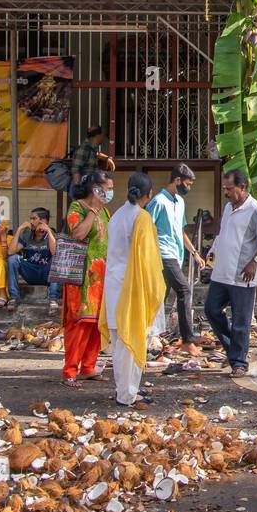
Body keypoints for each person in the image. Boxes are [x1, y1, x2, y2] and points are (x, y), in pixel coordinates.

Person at [101, 173, 167, 408]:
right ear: (149, 195)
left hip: (113, 284)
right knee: (131, 342)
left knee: (120, 342)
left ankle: (123, 391)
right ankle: (128, 394)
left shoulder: (116, 215)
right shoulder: (142, 218)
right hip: (133, 286)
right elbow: (148, 260)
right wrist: (156, 289)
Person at [205, 169, 257, 379]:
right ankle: (232, 348)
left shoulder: (255, 210)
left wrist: (254, 262)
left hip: (242, 275)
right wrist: (211, 256)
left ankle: (239, 362)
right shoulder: (228, 207)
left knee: (241, 321)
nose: (226, 192)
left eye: (229, 188)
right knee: (211, 310)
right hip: (221, 272)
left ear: (242, 188)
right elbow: (222, 234)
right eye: (225, 188)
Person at [145, 164, 205, 357]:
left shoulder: (179, 202)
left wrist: (194, 253)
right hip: (163, 255)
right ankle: (188, 340)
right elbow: (146, 229)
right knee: (184, 291)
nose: (189, 188)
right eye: (188, 183)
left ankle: (148, 336)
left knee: (159, 299)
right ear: (177, 180)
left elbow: (180, 230)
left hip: (176, 255)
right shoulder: (158, 201)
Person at [62, 169, 114, 388]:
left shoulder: (107, 212)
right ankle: (70, 370)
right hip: (82, 275)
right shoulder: (78, 208)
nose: (111, 193)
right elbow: (78, 234)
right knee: (80, 323)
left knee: (96, 324)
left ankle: (88, 367)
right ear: (95, 189)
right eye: (108, 189)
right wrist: (92, 211)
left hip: (102, 275)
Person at [7, 208, 56, 307]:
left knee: (56, 259)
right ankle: (14, 297)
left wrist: (49, 232)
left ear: (43, 221)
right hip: (31, 273)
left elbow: (55, 252)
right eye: (30, 219)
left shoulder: (52, 235)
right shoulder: (27, 235)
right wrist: (19, 230)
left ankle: (53, 298)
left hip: (46, 274)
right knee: (12, 259)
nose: (31, 221)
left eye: (34, 218)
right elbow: (10, 251)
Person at [70, 125, 115, 191]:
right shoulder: (84, 149)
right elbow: (75, 170)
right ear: (98, 136)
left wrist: (107, 159)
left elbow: (97, 153)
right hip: (83, 188)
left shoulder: (91, 149)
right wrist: (78, 190)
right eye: (103, 135)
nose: (103, 137)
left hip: (89, 187)